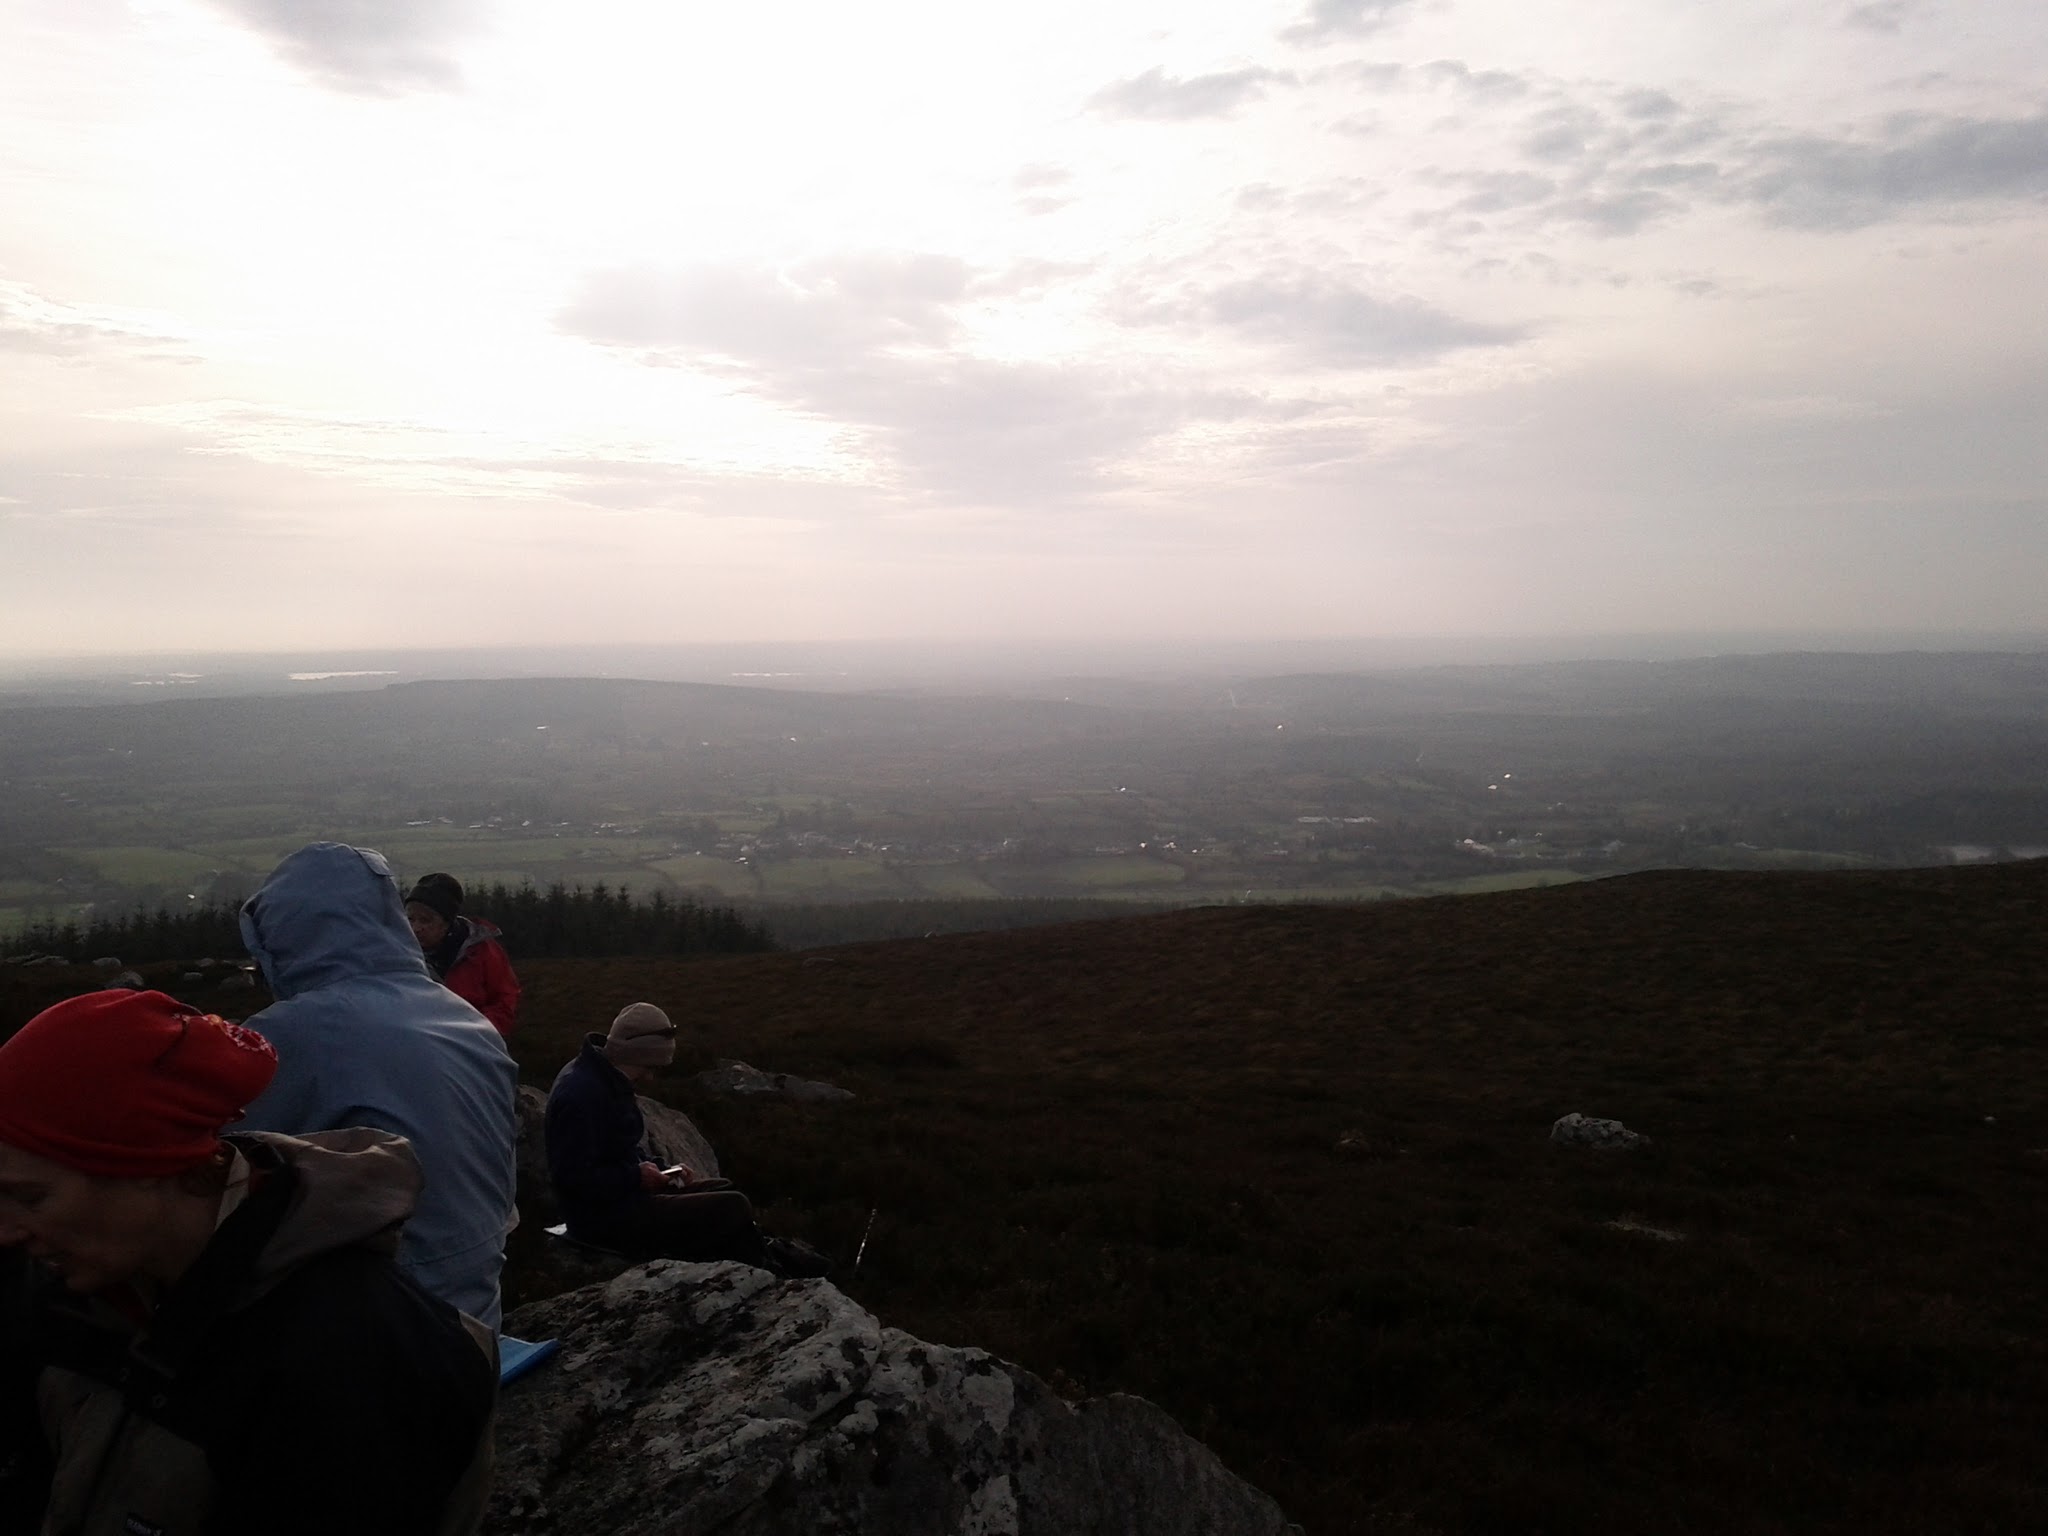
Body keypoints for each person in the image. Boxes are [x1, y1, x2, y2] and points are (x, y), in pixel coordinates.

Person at [0, 989, 496, 1536]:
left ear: (147, 1166)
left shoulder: (353, 1366)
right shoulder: (74, 1287)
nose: (6, 1230)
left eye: (29, 1198)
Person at [236, 842, 519, 1328]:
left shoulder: (289, 1033)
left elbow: (212, 1167)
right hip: (477, 1329)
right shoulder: (467, 1020)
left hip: (372, 1336)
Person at [545, 1003, 830, 1277]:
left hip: (621, 1198)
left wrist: (661, 1170)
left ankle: (769, 1256)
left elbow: (616, 1148)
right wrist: (635, 1177)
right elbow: (573, 1179)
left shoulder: (606, 1076)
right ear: (634, 1054)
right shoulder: (580, 1095)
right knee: (731, 1206)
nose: (651, 1077)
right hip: (599, 1219)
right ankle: (768, 1272)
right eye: (649, 1068)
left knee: (723, 1189)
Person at [405, 873, 521, 1039]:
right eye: (410, 919)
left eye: (425, 920)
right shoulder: (400, 954)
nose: (416, 928)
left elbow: (505, 998)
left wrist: (478, 1031)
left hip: (477, 1045)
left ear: (447, 922)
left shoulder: (482, 951)